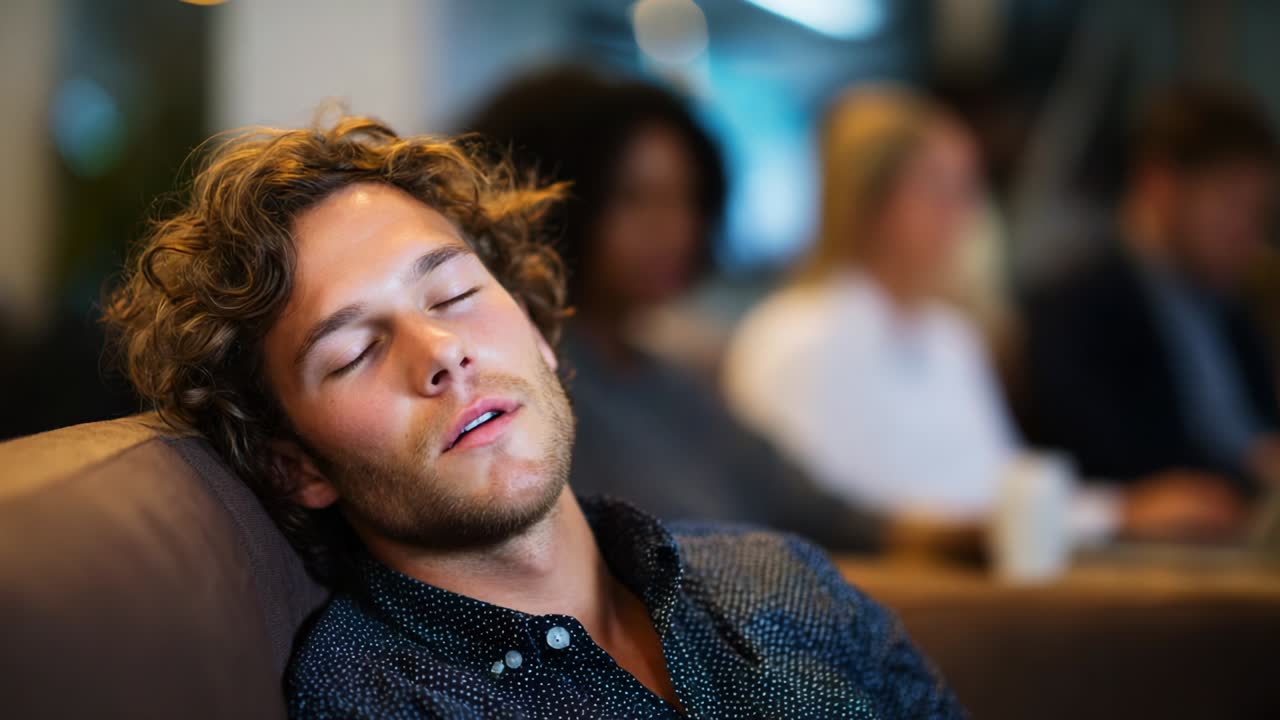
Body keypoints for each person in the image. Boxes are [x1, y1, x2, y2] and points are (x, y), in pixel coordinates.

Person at [102, 115, 961, 718]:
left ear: (538, 331)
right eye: (355, 352)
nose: (441, 351)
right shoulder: (378, 699)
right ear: (299, 466)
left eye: (455, 293)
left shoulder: (781, 577)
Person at [724, 87, 1242, 540]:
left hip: (970, 586)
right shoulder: (792, 338)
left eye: (971, 190)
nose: (967, 215)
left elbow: (1002, 492)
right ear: (870, 201)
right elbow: (849, 525)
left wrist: (1123, 511)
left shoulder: (949, 337)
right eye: (941, 189)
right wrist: (1119, 516)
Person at [466, 67, 882, 551]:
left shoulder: (675, 387)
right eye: (637, 198)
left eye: (687, 199)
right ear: (552, 205)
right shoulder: (528, 399)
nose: (675, 230)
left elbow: (825, 513)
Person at [1024, 85, 1280, 498]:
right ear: (1158, 184)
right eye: (1232, 203)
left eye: (1258, 212)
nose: (1248, 233)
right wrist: (1245, 468)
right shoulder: (1076, 305)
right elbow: (1098, 458)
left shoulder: (1233, 308)